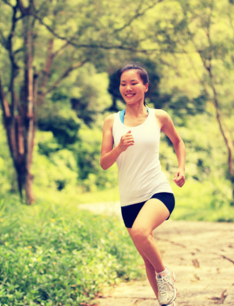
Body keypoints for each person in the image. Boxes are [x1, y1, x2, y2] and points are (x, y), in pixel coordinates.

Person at [100, 63, 186, 306]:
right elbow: (104, 163)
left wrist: (181, 168)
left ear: (145, 86)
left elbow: (178, 142)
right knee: (147, 258)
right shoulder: (111, 122)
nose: (128, 88)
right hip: (129, 199)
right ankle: (166, 302)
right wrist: (119, 148)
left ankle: (165, 273)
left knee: (140, 232)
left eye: (133, 83)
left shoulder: (159, 117)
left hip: (157, 190)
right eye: (123, 84)